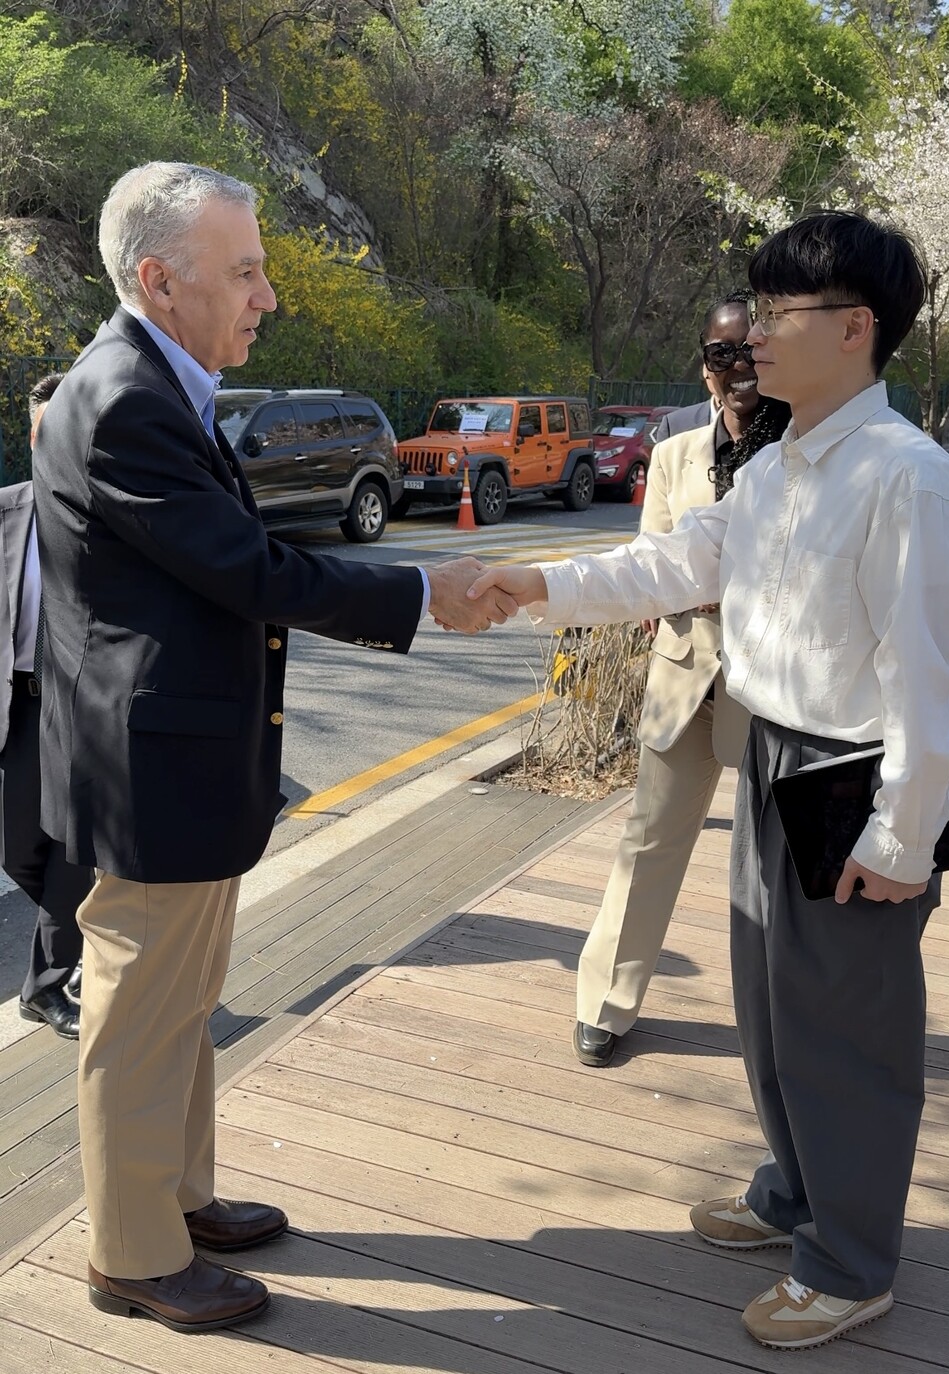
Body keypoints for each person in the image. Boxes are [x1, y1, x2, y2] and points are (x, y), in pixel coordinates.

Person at [32, 161, 512, 1334]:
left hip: (181, 763)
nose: (269, 296)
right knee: (142, 1009)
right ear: (159, 277)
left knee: (181, 998)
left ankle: (175, 1197)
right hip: (151, 774)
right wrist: (415, 593)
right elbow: (245, 570)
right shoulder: (125, 397)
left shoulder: (159, 383)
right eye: (244, 271)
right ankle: (132, 1250)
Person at [468, 211, 949, 1350]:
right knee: (772, 1012)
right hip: (774, 749)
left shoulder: (909, 480)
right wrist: (527, 584)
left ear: (854, 329)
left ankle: (848, 1263)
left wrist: (902, 840)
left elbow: (933, 685)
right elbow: (671, 565)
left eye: (779, 317)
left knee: (848, 1031)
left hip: (854, 777)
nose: (754, 342)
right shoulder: (784, 463)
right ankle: (797, 1190)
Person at [574, 293, 792, 1068]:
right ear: (704, 364)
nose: (736, 371)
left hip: (770, 683)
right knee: (650, 838)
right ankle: (604, 1000)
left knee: (778, 862)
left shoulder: (801, 451)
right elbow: (651, 564)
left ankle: (785, 1022)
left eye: (750, 354)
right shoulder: (672, 454)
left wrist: (710, 583)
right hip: (684, 671)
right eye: (720, 355)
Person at [0, 375, 91, 1040]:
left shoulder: (107, 515)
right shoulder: (7, 513)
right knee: (17, 849)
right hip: (21, 702)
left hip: (83, 706)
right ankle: (90, 927)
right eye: (40, 431)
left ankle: (46, 984)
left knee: (69, 847)